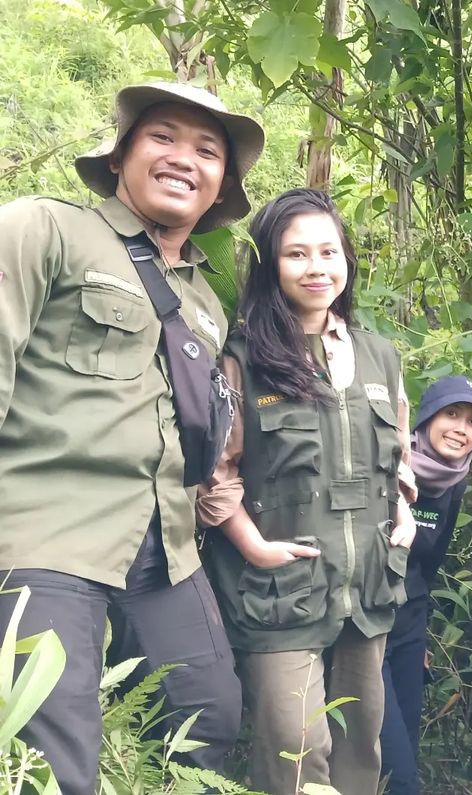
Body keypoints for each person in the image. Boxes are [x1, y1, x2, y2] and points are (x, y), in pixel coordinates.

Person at [0, 82, 264, 792]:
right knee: (51, 755)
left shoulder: (204, 302)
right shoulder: (43, 229)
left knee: (208, 712)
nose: (185, 158)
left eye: (208, 151)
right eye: (163, 137)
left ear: (220, 189)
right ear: (119, 156)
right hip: (49, 536)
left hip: (167, 549)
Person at [196, 188, 416, 795]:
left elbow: (398, 452)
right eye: (297, 254)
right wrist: (253, 545)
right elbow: (216, 472)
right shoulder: (242, 357)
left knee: (360, 747)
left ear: (347, 257)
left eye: (329, 251)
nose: (317, 267)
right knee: (296, 751)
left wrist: (403, 510)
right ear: (270, 264)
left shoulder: (379, 354)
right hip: (278, 590)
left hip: (368, 581)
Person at [380, 375, 472, 794]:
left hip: (408, 631)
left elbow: (429, 566)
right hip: (363, 629)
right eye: (452, 414)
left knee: (407, 748)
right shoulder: (385, 463)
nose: (461, 430)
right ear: (426, 415)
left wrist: (422, 634)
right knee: (396, 771)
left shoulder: (454, 483)